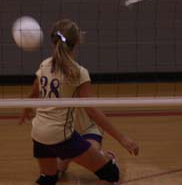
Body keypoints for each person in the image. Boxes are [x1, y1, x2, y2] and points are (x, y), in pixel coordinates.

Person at [20, 19, 139, 185]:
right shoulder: (78, 72)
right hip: (61, 137)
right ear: (77, 42)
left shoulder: (45, 64)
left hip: (38, 133)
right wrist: (122, 138)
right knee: (113, 174)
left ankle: (73, 159)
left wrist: (26, 110)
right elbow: (92, 112)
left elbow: (33, 93)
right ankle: (106, 158)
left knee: (48, 179)